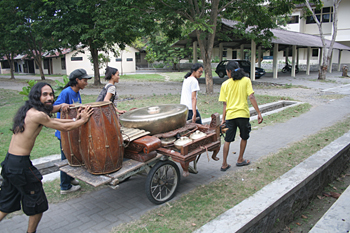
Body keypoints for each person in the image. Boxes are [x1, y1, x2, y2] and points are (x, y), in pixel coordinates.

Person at [0, 82, 93, 233]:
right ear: (37, 96)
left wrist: (65, 106)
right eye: (45, 94)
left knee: (6, 204)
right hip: (21, 166)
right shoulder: (38, 115)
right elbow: (60, 125)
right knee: (38, 205)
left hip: (10, 163)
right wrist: (81, 120)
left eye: (51, 94)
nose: (49, 97)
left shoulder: (29, 110)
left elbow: (53, 114)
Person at [218, 60, 263, 171]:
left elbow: (225, 103)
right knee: (244, 137)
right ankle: (240, 159)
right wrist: (259, 113)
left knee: (227, 140)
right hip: (243, 115)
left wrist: (223, 118)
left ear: (229, 71)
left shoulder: (225, 84)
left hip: (230, 116)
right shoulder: (246, 80)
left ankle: (224, 164)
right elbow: (251, 97)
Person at [54, 68, 92, 194]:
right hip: (64, 132)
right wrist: (61, 106)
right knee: (66, 158)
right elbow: (55, 107)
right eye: (84, 80)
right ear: (77, 80)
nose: (86, 83)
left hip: (72, 130)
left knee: (73, 155)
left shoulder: (76, 92)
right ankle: (64, 186)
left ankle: (70, 178)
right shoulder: (66, 92)